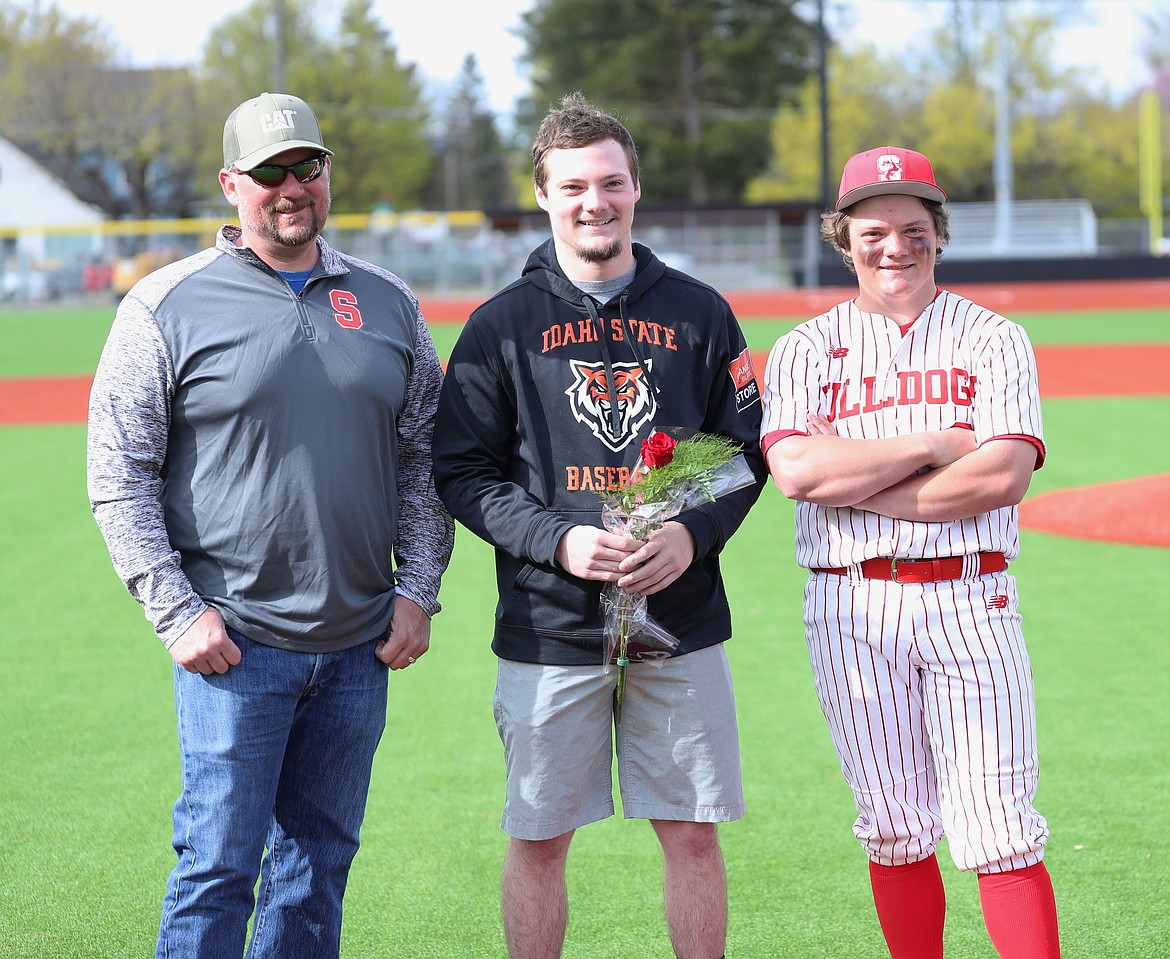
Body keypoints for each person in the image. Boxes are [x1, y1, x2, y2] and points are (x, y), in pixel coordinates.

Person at [86, 92, 454, 959]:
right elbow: (119, 474)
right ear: (230, 185)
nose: (291, 188)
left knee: (318, 865)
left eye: (307, 167)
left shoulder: (389, 300)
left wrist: (419, 590)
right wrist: (176, 612)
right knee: (218, 864)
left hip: (361, 643)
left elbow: (424, 459)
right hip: (236, 643)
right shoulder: (163, 305)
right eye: (269, 173)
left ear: (327, 173)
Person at [431, 92, 766, 959]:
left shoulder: (700, 312)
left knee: (692, 831)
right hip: (549, 624)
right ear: (543, 194)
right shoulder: (499, 326)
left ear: (635, 190)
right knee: (539, 837)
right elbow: (461, 471)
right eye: (574, 185)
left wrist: (693, 535)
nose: (595, 202)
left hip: (679, 618)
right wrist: (558, 537)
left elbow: (745, 452)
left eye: (611, 183)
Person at [760, 146, 1060, 958]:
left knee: (1000, 827)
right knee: (893, 825)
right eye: (875, 230)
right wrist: (935, 441)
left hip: (973, 597)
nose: (895, 246)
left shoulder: (994, 338)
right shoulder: (803, 350)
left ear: (939, 234)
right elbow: (794, 470)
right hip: (850, 604)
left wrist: (851, 475)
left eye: (914, 229)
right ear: (842, 237)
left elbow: (1001, 474)